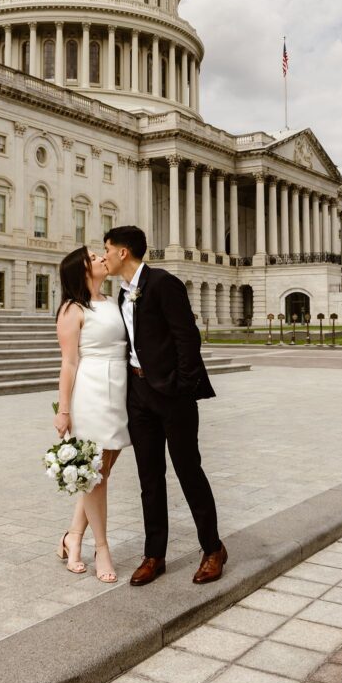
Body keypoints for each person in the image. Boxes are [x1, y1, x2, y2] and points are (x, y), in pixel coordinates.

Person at [103, 225, 227, 586]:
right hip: (139, 393)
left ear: (123, 252)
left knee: (189, 470)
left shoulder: (162, 282)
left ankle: (212, 548)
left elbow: (187, 336)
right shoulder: (122, 295)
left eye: (107, 248)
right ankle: (154, 554)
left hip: (172, 394)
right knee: (149, 477)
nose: (105, 255)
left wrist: (182, 387)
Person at [53, 246, 130, 582]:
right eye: (94, 256)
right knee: (95, 474)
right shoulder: (72, 309)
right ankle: (102, 548)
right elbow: (68, 363)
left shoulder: (114, 302)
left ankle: (72, 537)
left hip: (119, 390)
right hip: (91, 390)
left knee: (102, 473)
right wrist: (64, 410)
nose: (102, 258)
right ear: (82, 270)